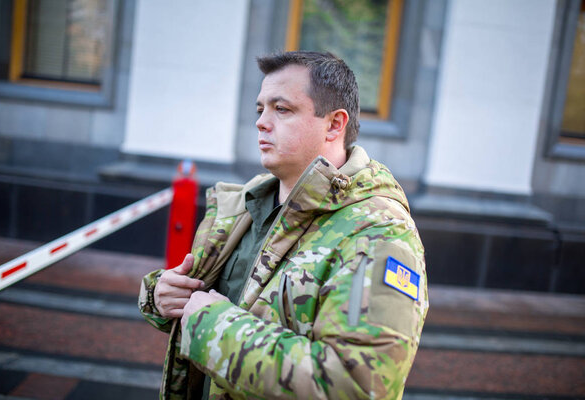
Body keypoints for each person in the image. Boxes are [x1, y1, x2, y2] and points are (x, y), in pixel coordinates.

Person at [139, 51, 428, 400]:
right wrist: (160, 296)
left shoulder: (380, 234)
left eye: (282, 109)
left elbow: (357, 388)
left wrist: (212, 327)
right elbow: (210, 302)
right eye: (260, 109)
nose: (261, 122)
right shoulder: (245, 204)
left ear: (334, 125)